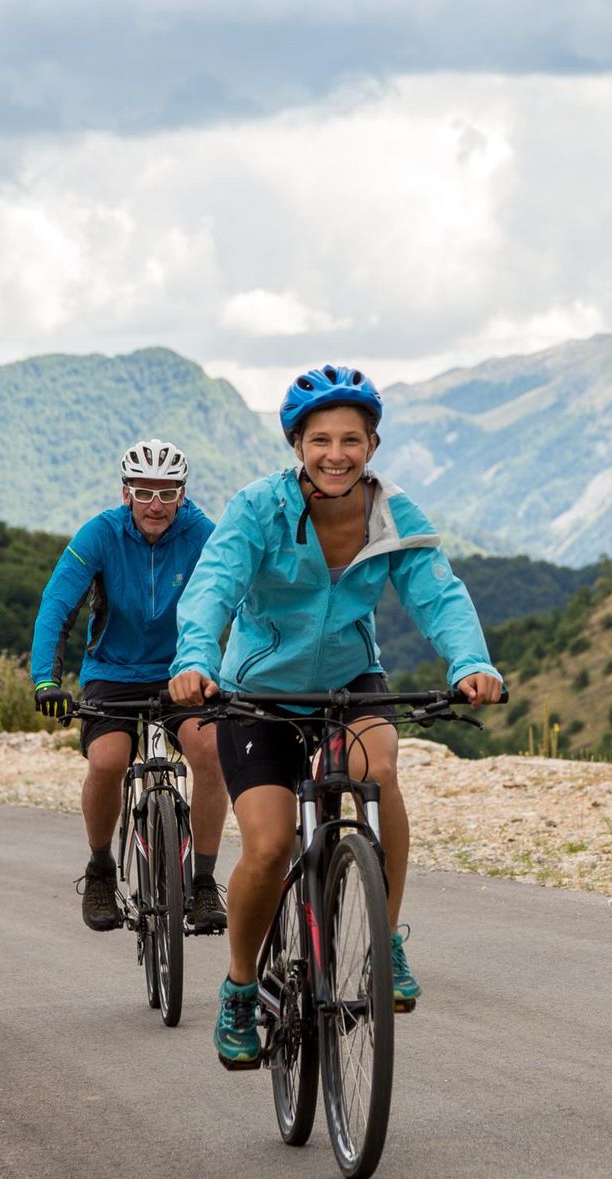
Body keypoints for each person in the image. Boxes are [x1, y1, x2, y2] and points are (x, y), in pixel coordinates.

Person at [168, 365, 502, 1069]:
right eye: (320, 439)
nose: (336, 454)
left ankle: (386, 939)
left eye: (352, 439)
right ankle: (239, 987)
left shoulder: (394, 513)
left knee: (380, 768)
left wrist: (471, 663)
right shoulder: (258, 509)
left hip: (350, 683)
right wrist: (194, 658)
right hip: (255, 696)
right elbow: (212, 587)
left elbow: (439, 595)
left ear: (373, 444)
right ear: (297, 444)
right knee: (267, 847)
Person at [32, 439, 231, 935]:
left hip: (184, 670)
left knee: (209, 756)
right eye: (145, 493)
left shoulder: (203, 534)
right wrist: (46, 679)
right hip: (113, 672)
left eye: (167, 493)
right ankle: (100, 868)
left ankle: (203, 880)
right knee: (107, 762)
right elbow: (57, 604)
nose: (156, 505)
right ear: (127, 493)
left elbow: (242, 599)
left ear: (183, 494)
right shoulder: (100, 534)